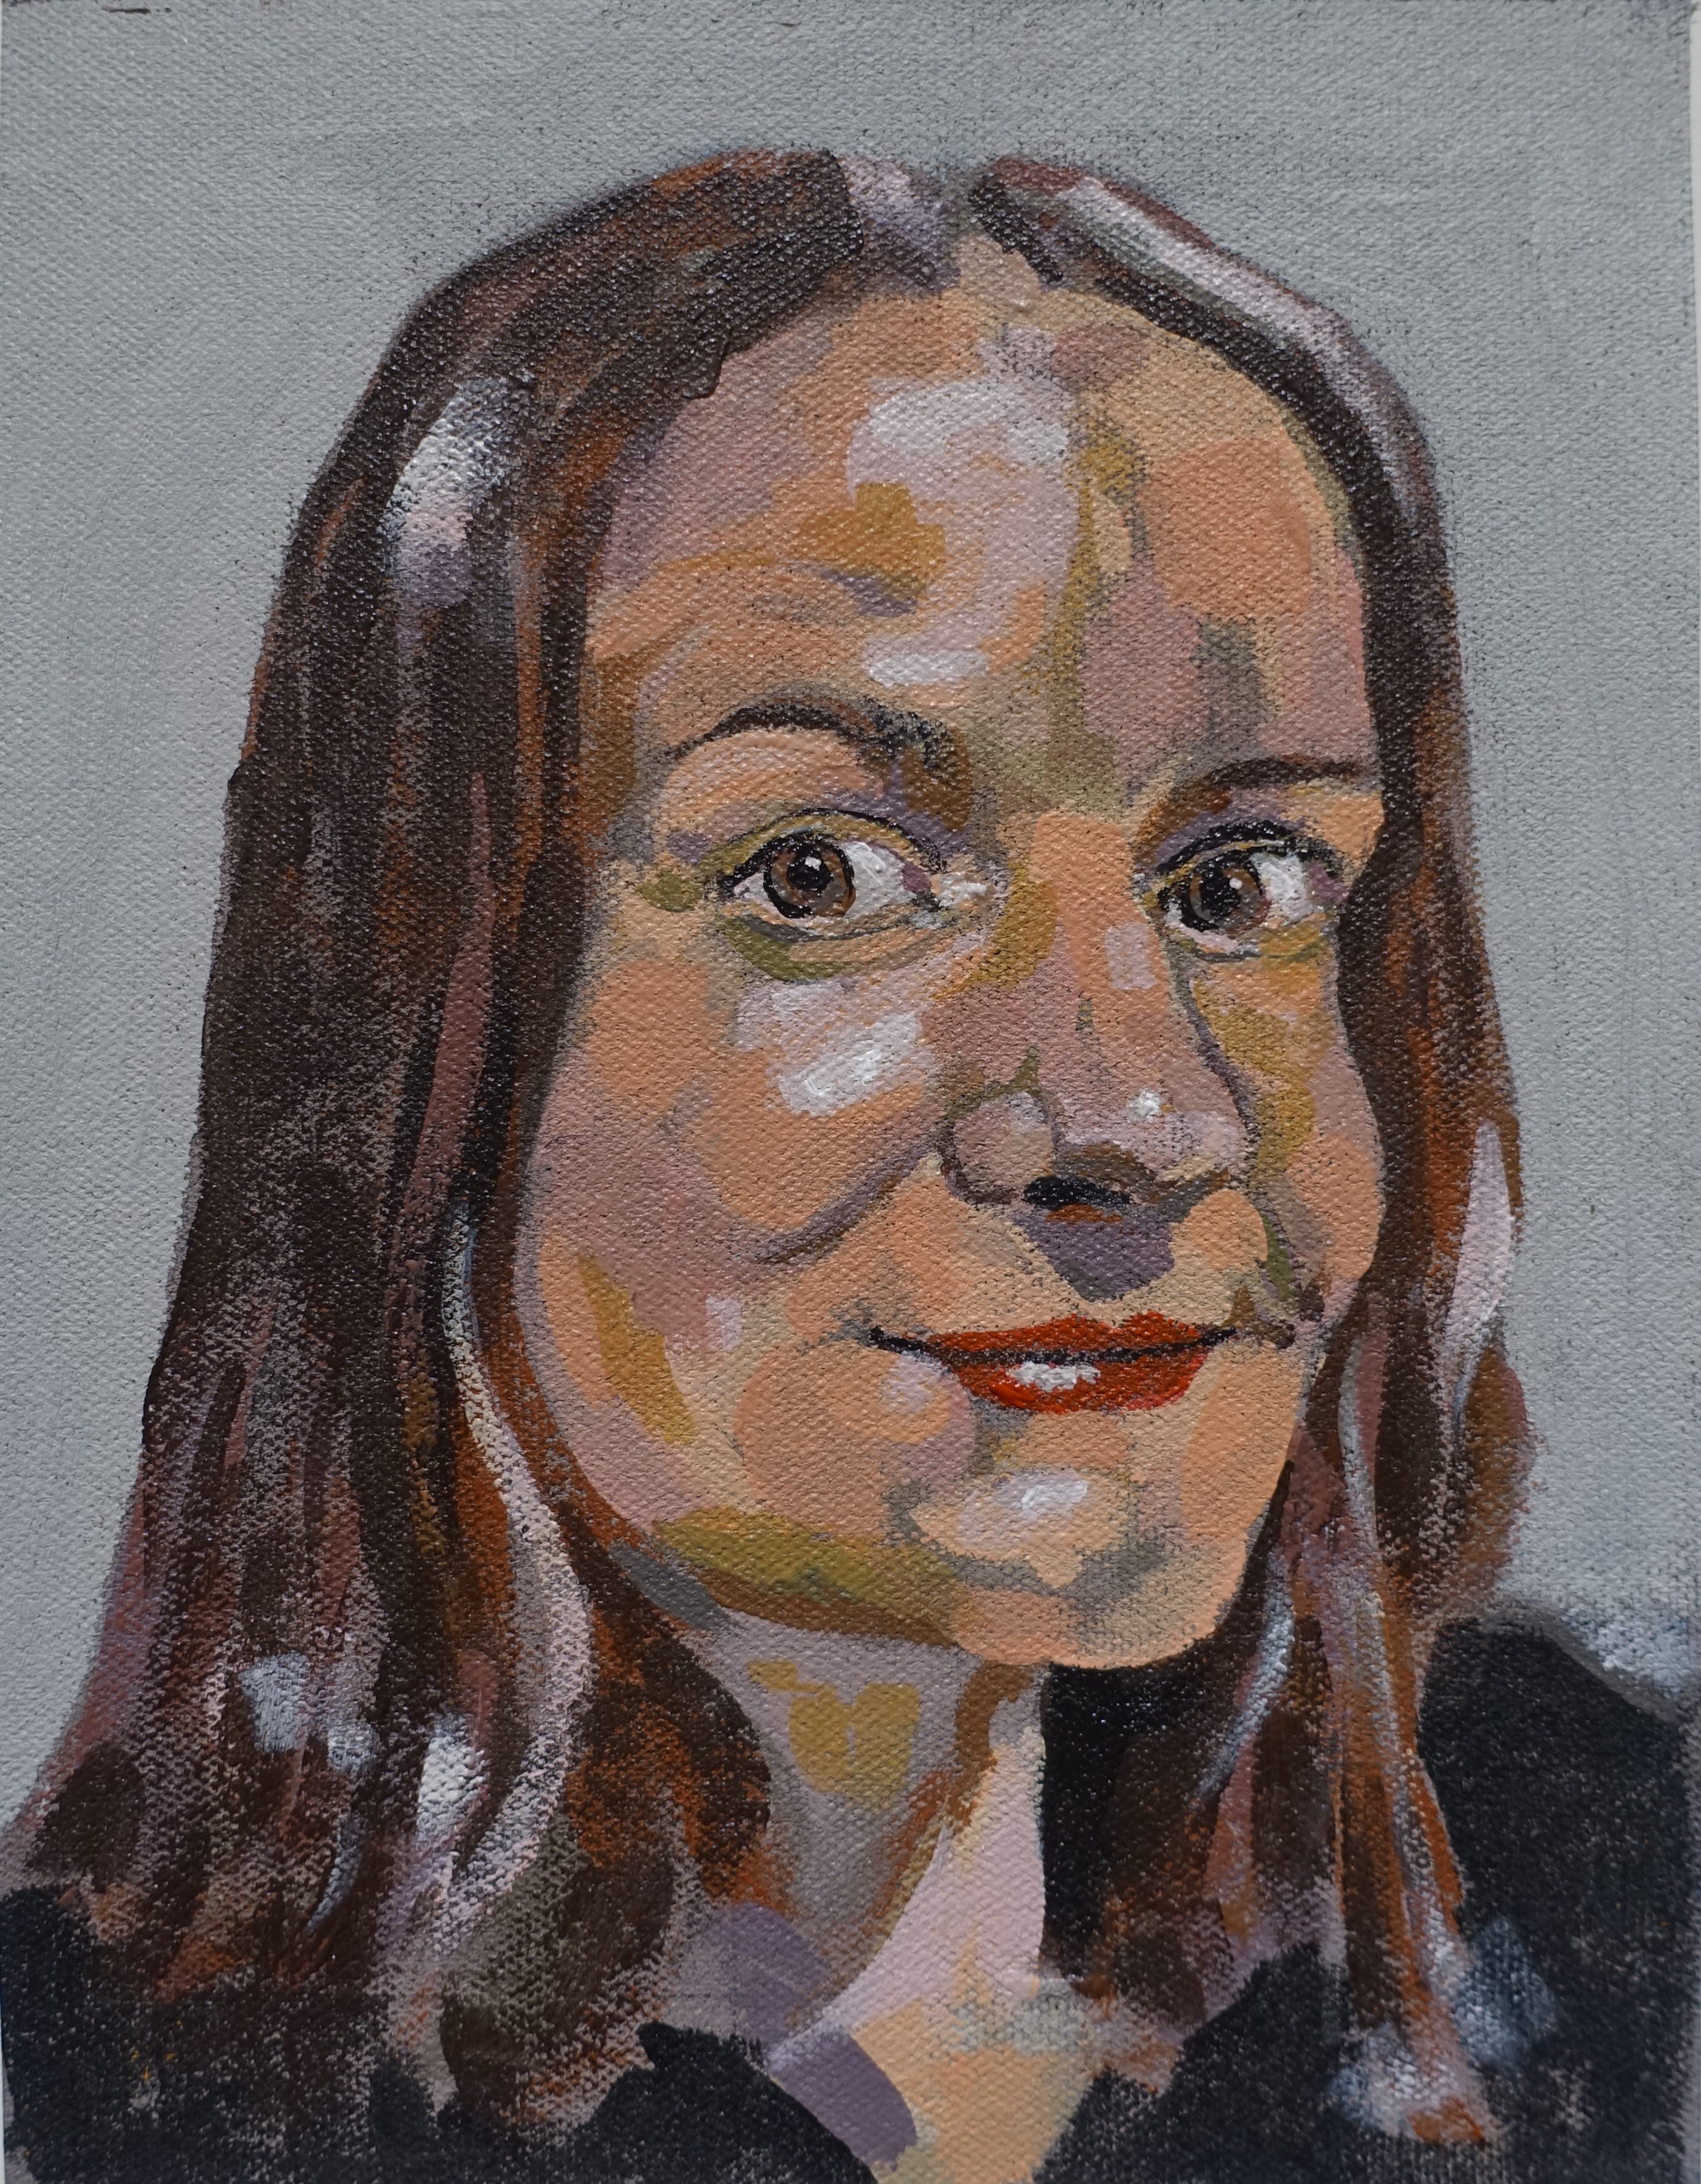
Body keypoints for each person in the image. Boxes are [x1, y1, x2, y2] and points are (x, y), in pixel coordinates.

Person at [1, 152, 1689, 2184]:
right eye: (818, 878)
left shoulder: (1607, 1913)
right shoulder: (89, 2103)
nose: (1138, 1112)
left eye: (1240, 884)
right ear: (429, 1022)